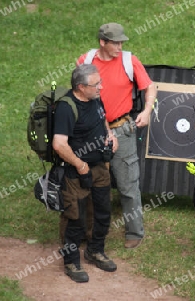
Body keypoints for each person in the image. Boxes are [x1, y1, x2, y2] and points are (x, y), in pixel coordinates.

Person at [77, 22, 157, 249]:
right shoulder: (86, 61)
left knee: (128, 184)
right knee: (89, 182)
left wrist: (147, 110)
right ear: (103, 42)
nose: (120, 46)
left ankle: (135, 231)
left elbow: (150, 87)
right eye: (116, 42)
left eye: (122, 42)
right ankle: (87, 231)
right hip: (92, 131)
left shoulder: (129, 61)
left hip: (122, 129)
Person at [53, 64, 119, 283]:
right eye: (96, 84)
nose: (101, 87)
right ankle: (71, 261)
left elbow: (103, 119)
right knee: (76, 218)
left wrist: (111, 135)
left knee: (103, 212)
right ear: (81, 87)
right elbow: (59, 144)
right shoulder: (66, 107)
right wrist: (80, 164)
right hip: (76, 172)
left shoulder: (95, 99)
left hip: (100, 167)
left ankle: (95, 251)